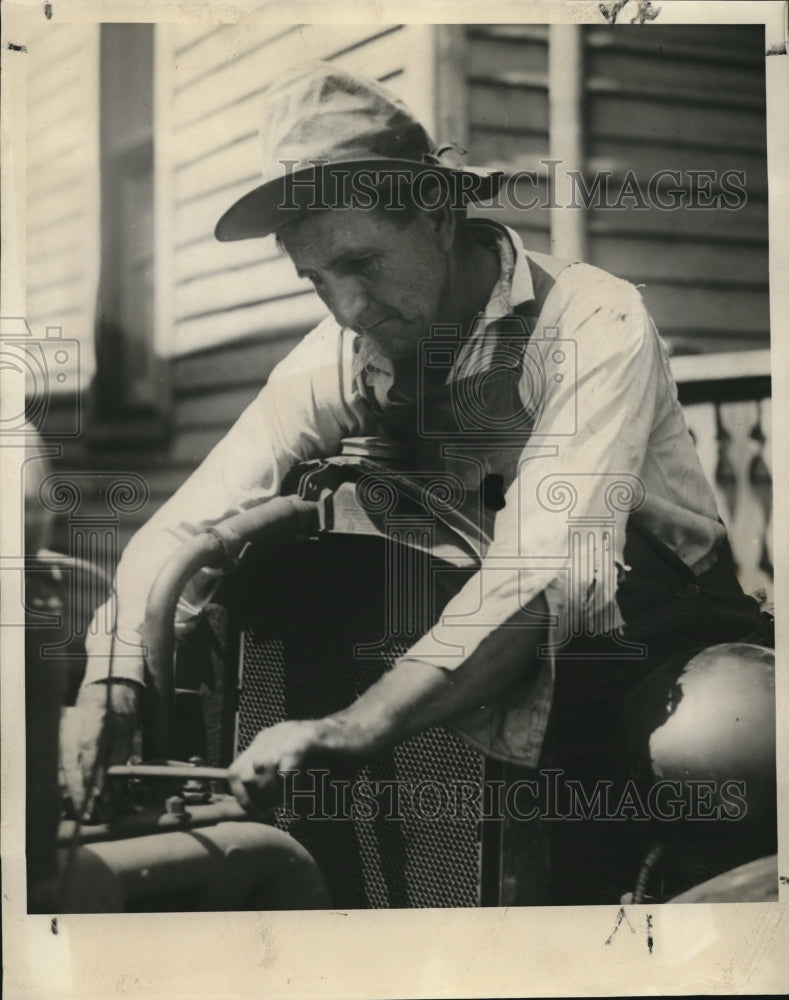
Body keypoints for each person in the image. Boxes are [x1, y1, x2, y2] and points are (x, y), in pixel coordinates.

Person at [66, 63, 771, 852]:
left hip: (638, 653)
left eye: (362, 264)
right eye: (316, 279)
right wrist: (114, 679)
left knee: (729, 746)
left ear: (437, 215)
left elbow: (549, 570)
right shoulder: (339, 355)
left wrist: (351, 727)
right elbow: (183, 525)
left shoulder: (591, 318)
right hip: (468, 671)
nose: (346, 308)